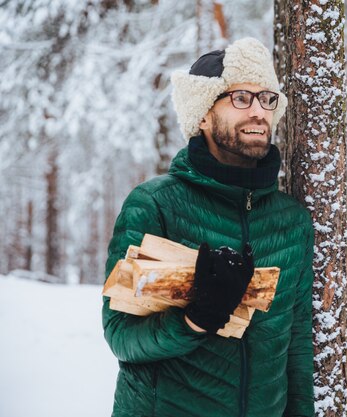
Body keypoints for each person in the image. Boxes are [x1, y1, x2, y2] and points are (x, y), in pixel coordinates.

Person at [102, 37, 314, 417]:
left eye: (267, 98)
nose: (258, 112)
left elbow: (297, 350)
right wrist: (194, 319)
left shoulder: (291, 220)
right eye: (240, 98)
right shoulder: (156, 205)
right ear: (202, 114)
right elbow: (121, 336)